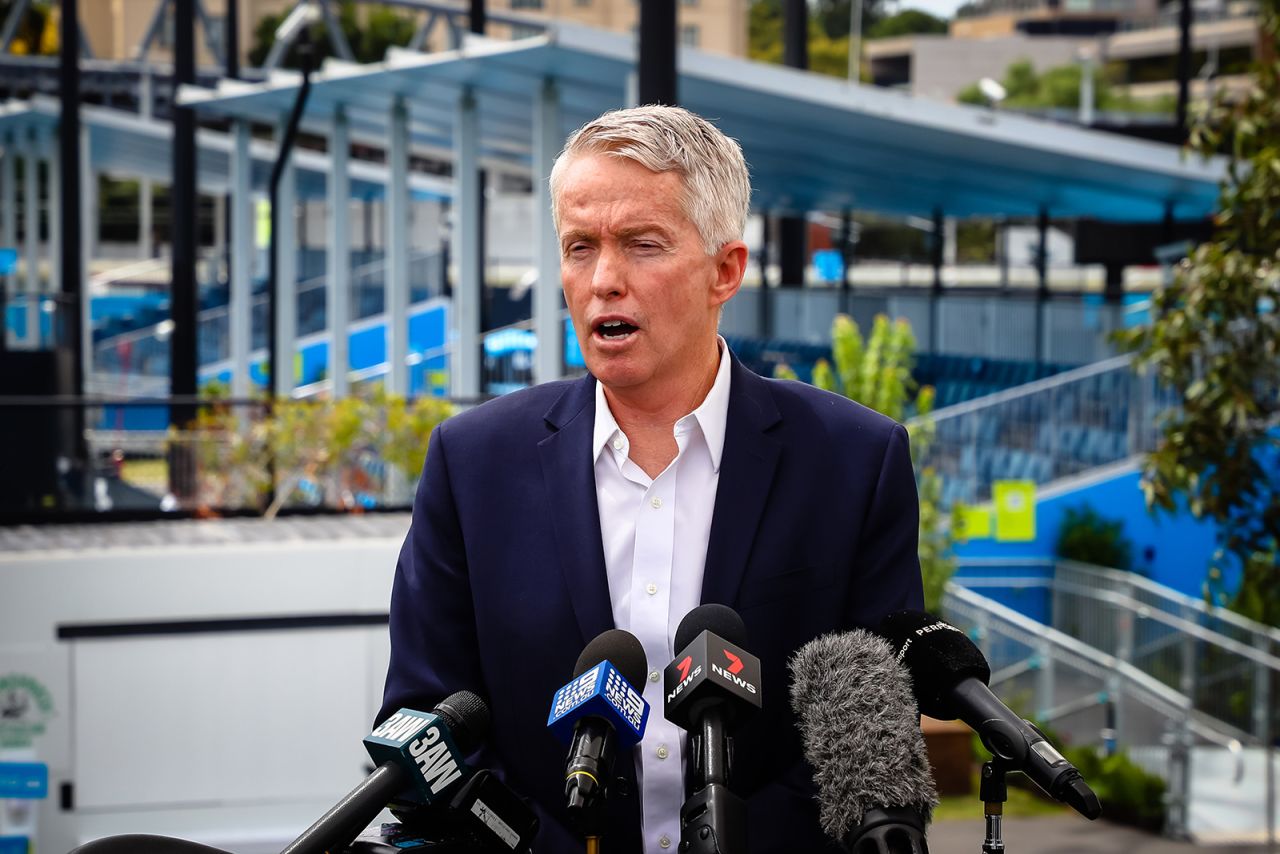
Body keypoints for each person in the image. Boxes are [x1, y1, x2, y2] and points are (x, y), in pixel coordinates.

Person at [379, 105, 924, 854]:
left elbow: (866, 753)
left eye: (641, 245)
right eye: (580, 247)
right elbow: (429, 726)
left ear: (725, 270)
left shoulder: (857, 461)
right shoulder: (472, 464)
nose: (604, 280)